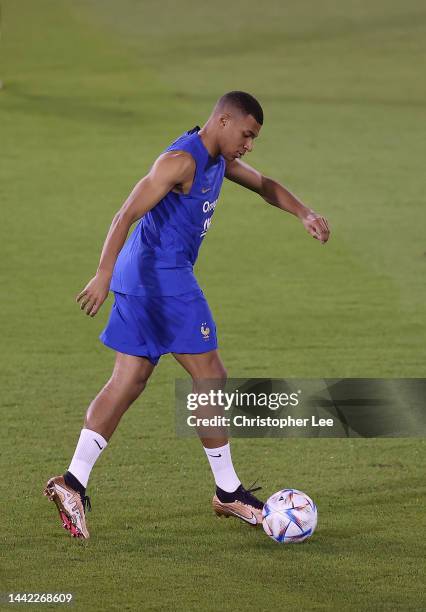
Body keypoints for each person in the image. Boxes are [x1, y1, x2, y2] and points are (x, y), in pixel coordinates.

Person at [43, 91, 330, 539]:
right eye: (247, 135)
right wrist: (101, 274)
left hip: (143, 278)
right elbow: (125, 214)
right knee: (210, 373)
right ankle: (228, 490)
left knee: (129, 380)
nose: (249, 145)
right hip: (162, 278)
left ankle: (72, 482)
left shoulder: (219, 161)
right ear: (222, 120)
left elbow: (264, 184)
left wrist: (304, 212)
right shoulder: (180, 161)